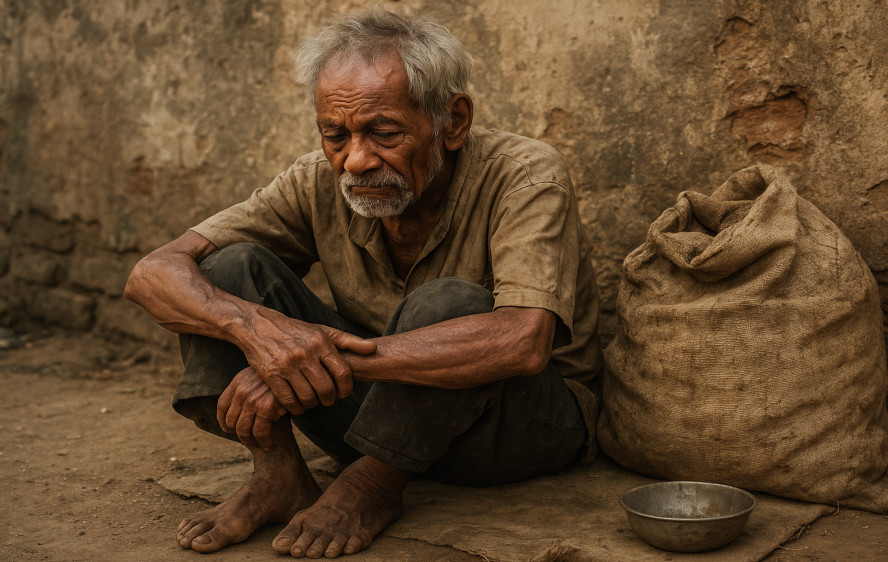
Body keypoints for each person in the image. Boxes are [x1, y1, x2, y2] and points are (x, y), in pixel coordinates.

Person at [125, 8, 601, 559]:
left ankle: (372, 485)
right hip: (375, 414)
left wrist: (317, 359)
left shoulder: (525, 174)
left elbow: (522, 341)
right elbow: (153, 272)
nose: (354, 160)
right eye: (335, 134)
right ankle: (278, 477)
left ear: (453, 122)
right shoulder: (316, 179)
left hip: (516, 429)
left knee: (448, 303)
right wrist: (258, 334)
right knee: (225, 272)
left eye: (384, 132)